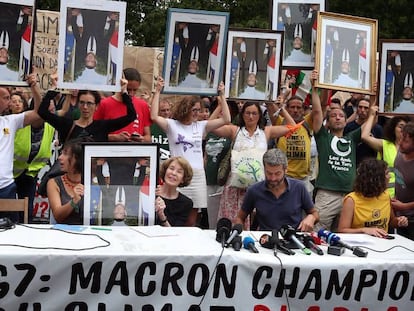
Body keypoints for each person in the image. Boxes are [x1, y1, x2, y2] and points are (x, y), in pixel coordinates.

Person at [151, 77, 231, 227]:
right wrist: (157, 92)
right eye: (194, 110)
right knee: (173, 213)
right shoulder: (171, 125)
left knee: (192, 219)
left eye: (198, 110)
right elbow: (154, 116)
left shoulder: (201, 126)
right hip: (177, 175)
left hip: (197, 175)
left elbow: (226, 119)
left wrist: (222, 95)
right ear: (186, 108)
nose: (197, 114)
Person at [212, 100, 300, 228]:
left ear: (259, 116)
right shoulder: (235, 130)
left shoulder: (266, 132)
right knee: (233, 221)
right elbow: (210, 126)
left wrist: (282, 108)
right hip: (236, 186)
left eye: (254, 113)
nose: (251, 116)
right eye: (247, 113)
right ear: (242, 115)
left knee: (256, 221)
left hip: (259, 185)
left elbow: (293, 126)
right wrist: (220, 105)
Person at [310, 69, 372, 232]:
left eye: (341, 116)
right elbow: (317, 112)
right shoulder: (323, 137)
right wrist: (314, 88)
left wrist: (373, 94)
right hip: (327, 195)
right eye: (333, 116)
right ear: (327, 122)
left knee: (344, 237)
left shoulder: (351, 138)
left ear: (346, 121)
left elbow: (372, 118)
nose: (337, 117)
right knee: (317, 234)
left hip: (350, 196)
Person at [234, 148, 319, 231]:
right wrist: (243, 235)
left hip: (292, 239)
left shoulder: (299, 188)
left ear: (285, 170)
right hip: (265, 240)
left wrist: (311, 217)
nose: (273, 178)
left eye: (277, 173)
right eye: (269, 173)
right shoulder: (254, 191)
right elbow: (240, 217)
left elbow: (315, 214)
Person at [38, 78, 135, 142]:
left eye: (89, 103)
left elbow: (131, 116)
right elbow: (42, 112)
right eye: (82, 102)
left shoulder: (102, 126)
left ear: (96, 106)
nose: (85, 107)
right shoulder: (67, 125)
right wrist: (54, 90)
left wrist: (124, 92)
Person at [12, 75, 54, 223]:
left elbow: (63, 110)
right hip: (10, 174)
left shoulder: (46, 124)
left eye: (19, 101)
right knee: (8, 212)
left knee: (27, 211)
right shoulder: (14, 121)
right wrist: (34, 86)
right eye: (13, 101)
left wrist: (38, 86)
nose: (16, 104)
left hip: (30, 174)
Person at [0, 78, 42, 221]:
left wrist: (34, 86)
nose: (10, 102)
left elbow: (39, 112)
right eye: (6, 98)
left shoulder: (10, 121)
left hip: (5, 188)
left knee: (12, 232)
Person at [338, 159, 408, 237]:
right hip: (360, 244)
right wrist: (364, 230)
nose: (390, 176)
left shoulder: (386, 195)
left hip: (382, 243)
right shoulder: (351, 200)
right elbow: (342, 230)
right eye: (387, 173)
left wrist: (399, 221)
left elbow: (391, 222)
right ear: (376, 178)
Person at [362, 105, 411, 198]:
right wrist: (372, 115)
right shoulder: (384, 145)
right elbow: (364, 136)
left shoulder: (412, 148)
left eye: (406, 127)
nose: (403, 130)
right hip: (386, 196)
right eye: (400, 127)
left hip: (407, 197)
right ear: (393, 129)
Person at [271, 95, 314, 195]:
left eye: (299, 108)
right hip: (283, 178)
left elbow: (319, 108)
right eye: (292, 107)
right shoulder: (280, 122)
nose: (295, 110)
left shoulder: (307, 123)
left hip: (303, 179)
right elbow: (270, 105)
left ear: (303, 110)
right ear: (286, 108)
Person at [94, 68, 151, 143]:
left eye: (135, 90)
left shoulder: (142, 105)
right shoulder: (104, 104)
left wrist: (141, 139)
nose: (131, 93)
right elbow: (93, 134)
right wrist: (114, 137)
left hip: (135, 152)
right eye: (128, 89)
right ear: (121, 84)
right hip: (110, 152)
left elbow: (148, 137)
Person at [47, 138, 85, 224]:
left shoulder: (91, 182)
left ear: (77, 158)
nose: (60, 157)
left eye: (65, 154)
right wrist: (74, 201)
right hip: (63, 233)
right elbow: (57, 216)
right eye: (61, 153)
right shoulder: (54, 183)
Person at [155, 157, 194, 227]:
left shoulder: (186, 203)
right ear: (165, 171)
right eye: (171, 168)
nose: (173, 173)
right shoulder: (152, 193)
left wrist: (162, 216)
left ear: (183, 179)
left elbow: (175, 232)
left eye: (179, 172)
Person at [344, 96, 383, 166]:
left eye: (366, 108)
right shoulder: (348, 127)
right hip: (352, 164)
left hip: (371, 165)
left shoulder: (378, 129)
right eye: (360, 107)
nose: (362, 110)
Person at [392, 122, 414, 240]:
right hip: (400, 218)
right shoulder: (400, 153)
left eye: (405, 141)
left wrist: (405, 206)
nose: (400, 143)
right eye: (400, 139)